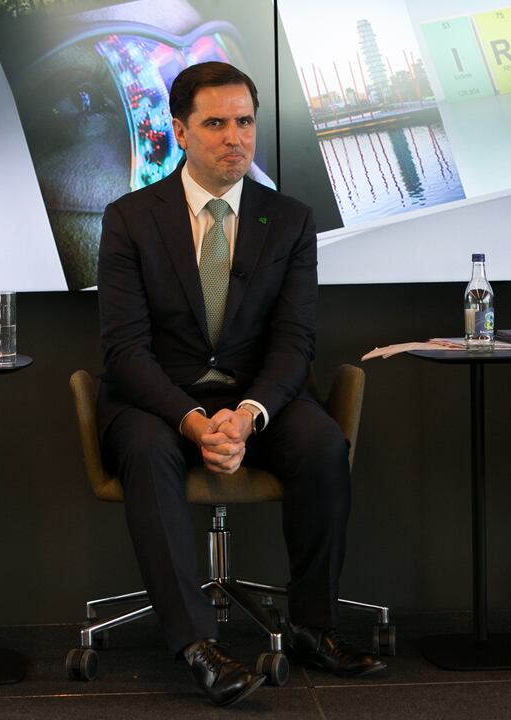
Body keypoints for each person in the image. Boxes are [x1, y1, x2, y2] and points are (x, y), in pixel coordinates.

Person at [96, 61, 384, 707]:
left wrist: (249, 414)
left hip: (258, 396)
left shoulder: (287, 219)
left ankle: (314, 627)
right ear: (179, 131)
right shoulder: (130, 218)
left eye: (245, 121)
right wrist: (193, 422)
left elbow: (294, 343)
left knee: (322, 445)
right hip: (156, 398)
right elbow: (124, 351)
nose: (236, 138)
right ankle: (197, 647)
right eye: (216, 123)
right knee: (145, 448)